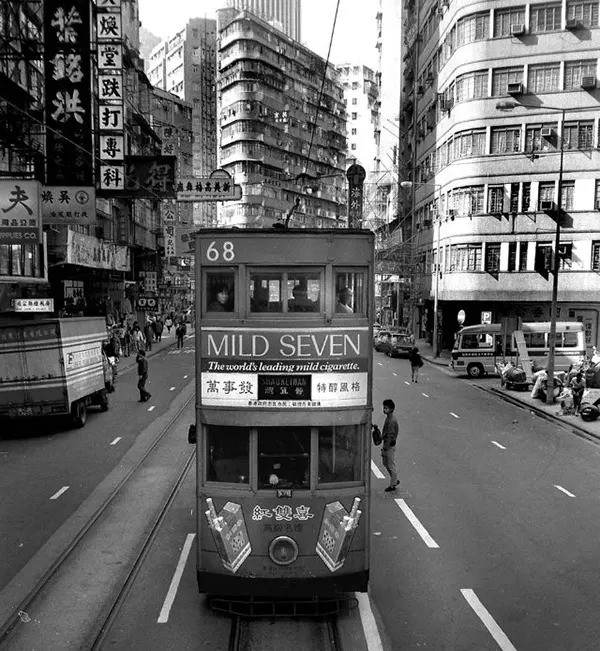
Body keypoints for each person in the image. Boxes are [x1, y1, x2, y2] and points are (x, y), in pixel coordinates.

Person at [380, 399, 399, 492]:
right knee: (386, 463)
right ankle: (394, 479)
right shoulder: (389, 417)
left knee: (390, 465)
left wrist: (385, 448)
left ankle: (393, 484)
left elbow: (390, 436)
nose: (384, 410)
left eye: (386, 408)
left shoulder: (391, 420)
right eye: (384, 407)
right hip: (388, 444)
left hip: (389, 446)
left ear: (391, 409)